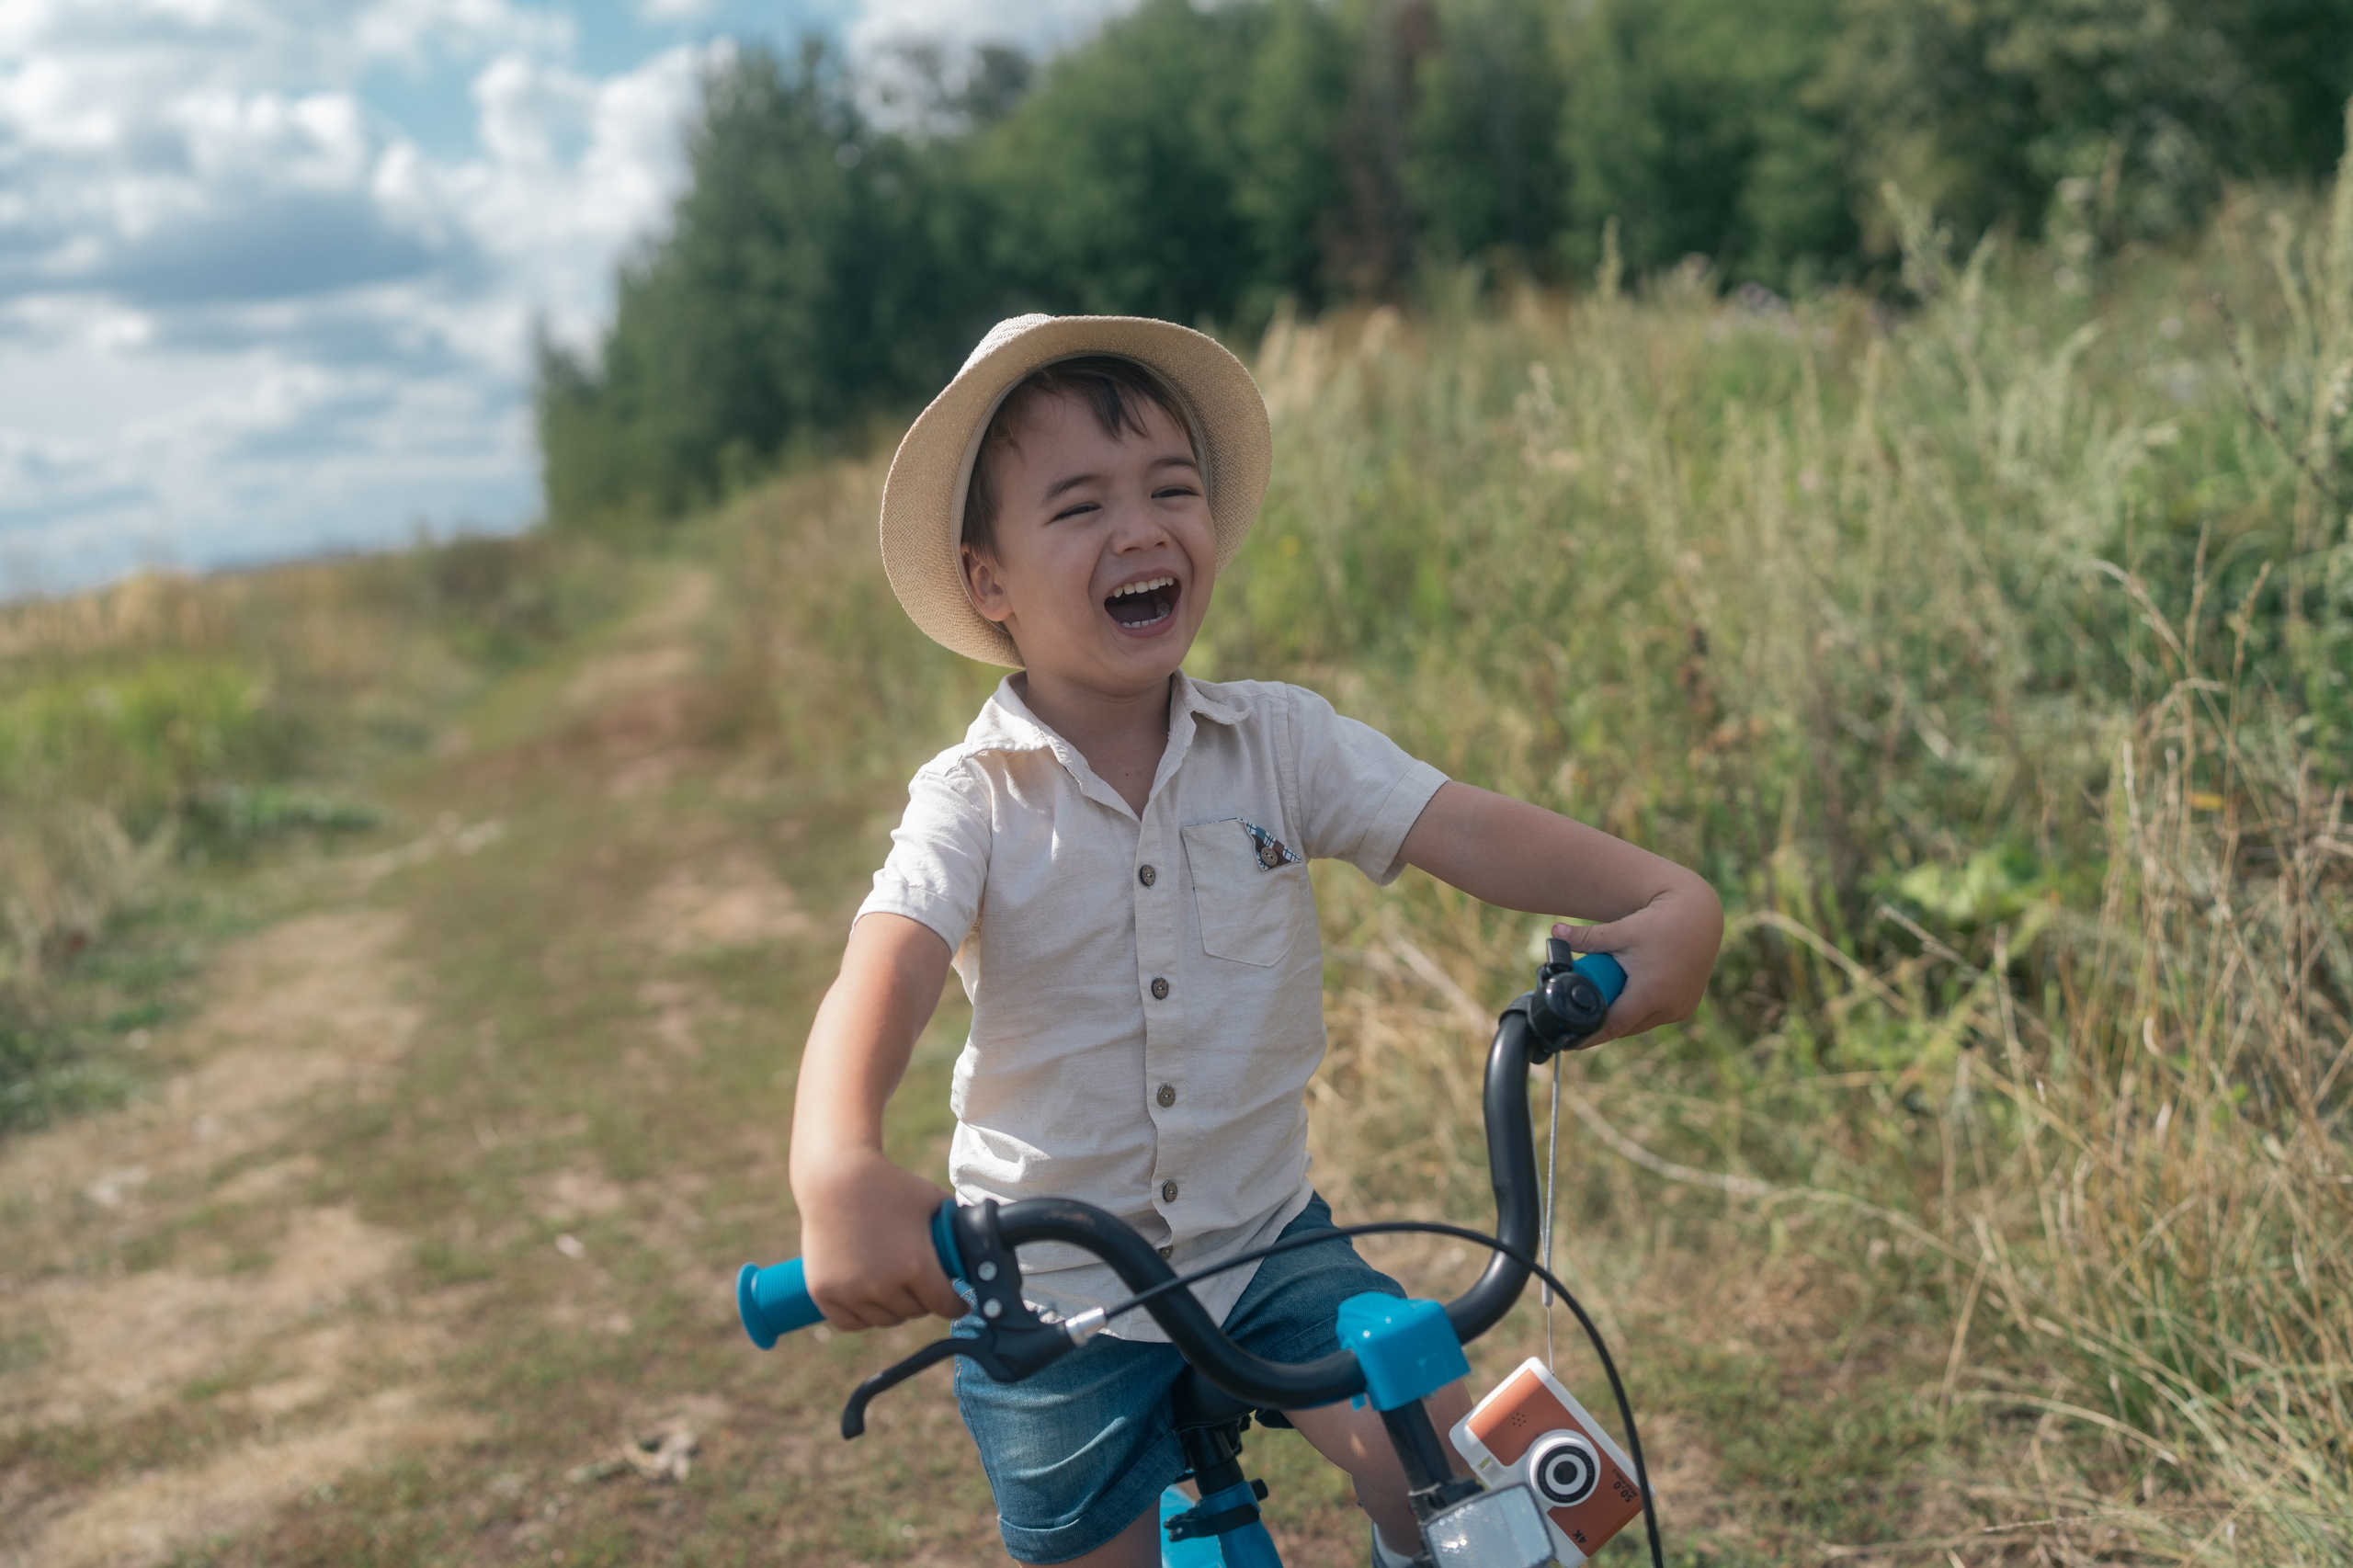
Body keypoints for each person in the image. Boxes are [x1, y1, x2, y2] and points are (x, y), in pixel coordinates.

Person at [788, 314, 1722, 1567]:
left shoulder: (1281, 744)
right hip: (1056, 1284)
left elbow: (1471, 829)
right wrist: (836, 1164)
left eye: (1173, 489)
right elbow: (885, 969)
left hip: (1265, 1238)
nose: (1140, 527)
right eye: (1078, 506)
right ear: (988, 579)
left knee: (1458, 1483)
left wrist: (1669, 896)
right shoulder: (976, 800)